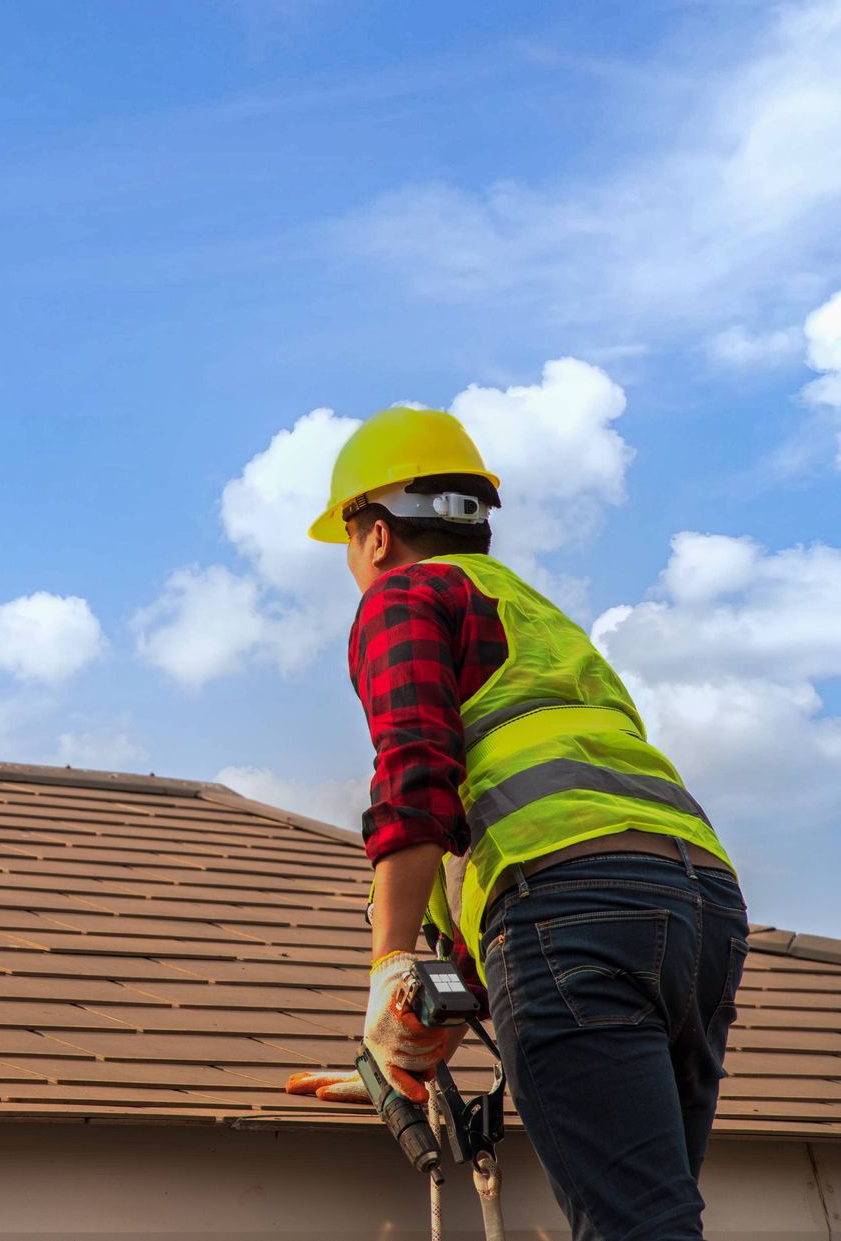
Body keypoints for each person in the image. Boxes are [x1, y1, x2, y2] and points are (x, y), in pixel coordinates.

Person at [286, 407, 748, 1241]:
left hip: (570, 905)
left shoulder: (404, 593)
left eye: (349, 541)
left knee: (637, 1226)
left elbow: (417, 774)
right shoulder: (541, 618)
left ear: (377, 534)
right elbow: (518, 830)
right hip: (700, 903)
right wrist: (416, 1038)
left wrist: (388, 965)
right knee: (655, 1213)